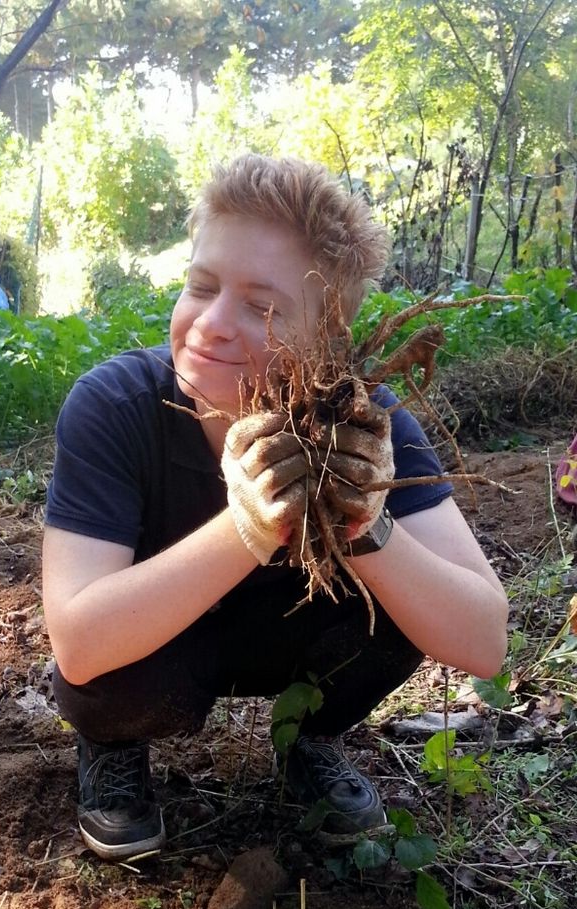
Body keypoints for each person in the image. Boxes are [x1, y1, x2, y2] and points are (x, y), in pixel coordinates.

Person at [42, 154, 508, 861]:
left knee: (409, 596)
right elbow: (77, 642)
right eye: (202, 286)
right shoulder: (113, 408)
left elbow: (484, 641)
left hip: (294, 638)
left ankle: (310, 738)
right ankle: (114, 746)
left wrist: (368, 525)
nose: (212, 324)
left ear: (329, 341)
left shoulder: (368, 425)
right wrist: (248, 527)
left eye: (262, 307)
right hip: (159, 648)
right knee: (106, 677)